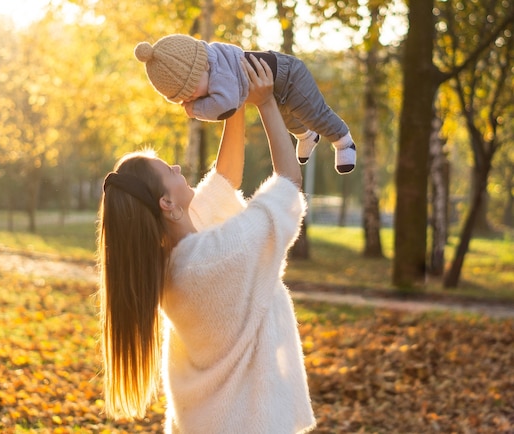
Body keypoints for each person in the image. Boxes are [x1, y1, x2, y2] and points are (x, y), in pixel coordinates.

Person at [97, 55, 315, 433]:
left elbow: (224, 178)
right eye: (170, 171)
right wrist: (264, 103)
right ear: (167, 204)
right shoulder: (218, 257)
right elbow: (289, 185)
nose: (179, 169)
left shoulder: (169, 260)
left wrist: (233, 96)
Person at [134, 33, 356, 174]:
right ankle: (307, 136)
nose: (191, 99)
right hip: (275, 87)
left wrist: (195, 110)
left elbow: (226, 106)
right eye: (185, 99)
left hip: (291, 77)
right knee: (289, 119)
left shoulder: (219, 74)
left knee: (314, 114)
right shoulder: (211, 61)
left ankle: (343, 141)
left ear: (201, 68)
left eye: (190, 92)